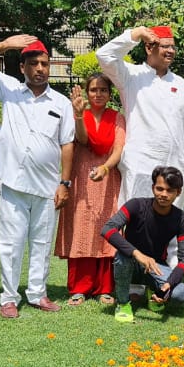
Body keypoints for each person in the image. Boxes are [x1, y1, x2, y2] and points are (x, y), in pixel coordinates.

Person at [0, 34, 73, 319]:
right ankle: (8, 297)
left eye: (44, 63)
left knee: (42, 244)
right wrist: (7, 44)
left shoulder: (61, 102)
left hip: (47, 186)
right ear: (22, 68)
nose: (40, 69)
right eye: (34, 63)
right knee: (11, 244)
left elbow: (67, 144)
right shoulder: (9, 90)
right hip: (13, 184)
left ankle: (37, 293)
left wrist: (64, 183)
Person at [96, 25, 184, 212]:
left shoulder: (180, 83)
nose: (170, 51)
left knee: (171, 232)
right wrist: (134, 34)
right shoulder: (130, 75)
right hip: (140, 166)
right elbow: (104, 55)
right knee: (137, 225)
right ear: (148, 48)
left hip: (174, 166)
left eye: (172, 47)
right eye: (164, 46)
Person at [56, 73, 126, 306]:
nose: (98, 94)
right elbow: (83, 140)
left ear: (109, 93)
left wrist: (106, 168)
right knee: (81, 228)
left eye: (103, 90)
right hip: (81, 178)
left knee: (105, 228)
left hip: (107, 178)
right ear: (87, 92)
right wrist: (78, 115)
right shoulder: (78, 115)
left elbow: (118, 149)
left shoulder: (117, 118)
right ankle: (79, 288)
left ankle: (105, 288)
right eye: (93, 90)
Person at [101, 166, 184, 323]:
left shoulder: (182, 219)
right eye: (159, 188)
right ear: (153, 188)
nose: (163, 194)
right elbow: (107, 229)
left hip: (155, 266)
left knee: (179, 294)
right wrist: (138, 254)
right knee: (122, 257)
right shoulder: (135, 205)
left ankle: (154, 290)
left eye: (170, 190)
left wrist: (168, 285)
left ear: (178, 192)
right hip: (129, 261)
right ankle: (123, 303)